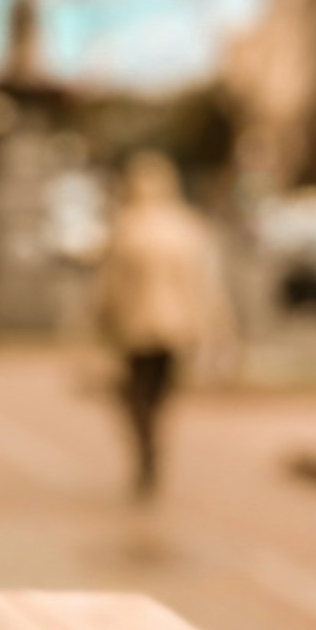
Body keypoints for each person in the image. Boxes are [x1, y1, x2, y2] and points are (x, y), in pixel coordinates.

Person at [97, 152, 234, 497]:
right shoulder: (187, 227)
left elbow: (109, 284)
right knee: (159, 392)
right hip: (178, 325)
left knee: (135, 394)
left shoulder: (127, 226)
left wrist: (101, 320)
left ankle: (147, 449)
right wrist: (215, 325)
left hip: (137, 325)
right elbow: (206, 284)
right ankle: (153, 446)